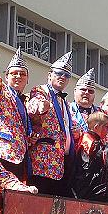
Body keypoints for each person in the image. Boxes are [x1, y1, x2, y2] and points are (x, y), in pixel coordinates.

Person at [0, 46, 45, 181]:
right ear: (6, 76)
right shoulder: (0, 93)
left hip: (20, 157)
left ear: (28, 79)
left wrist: (30, 138)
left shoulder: (26, 101)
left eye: (22, 74)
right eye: (14, 73)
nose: (18, 76)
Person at [28, 51, 76, 197]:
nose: (63, 77)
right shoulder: (41, 90)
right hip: (43, 161)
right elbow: (34, 103)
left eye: (66, 75)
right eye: (59, 73)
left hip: (61, 162)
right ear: (50, 75)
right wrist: (40, 106)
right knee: (40, 200)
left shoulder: (64, 101)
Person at [72, 112, 108, 202]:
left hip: (95, 192)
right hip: (89, 194)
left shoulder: (95, 142)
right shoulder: (89, 142)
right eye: (106, 127)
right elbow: (86, 172)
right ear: (96, 127)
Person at [69, 68, 99, 141]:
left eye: (91, 91)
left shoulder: (101, 113)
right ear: (75, 91)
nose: (87, 93)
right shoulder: (65, 109)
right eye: (83, 89)